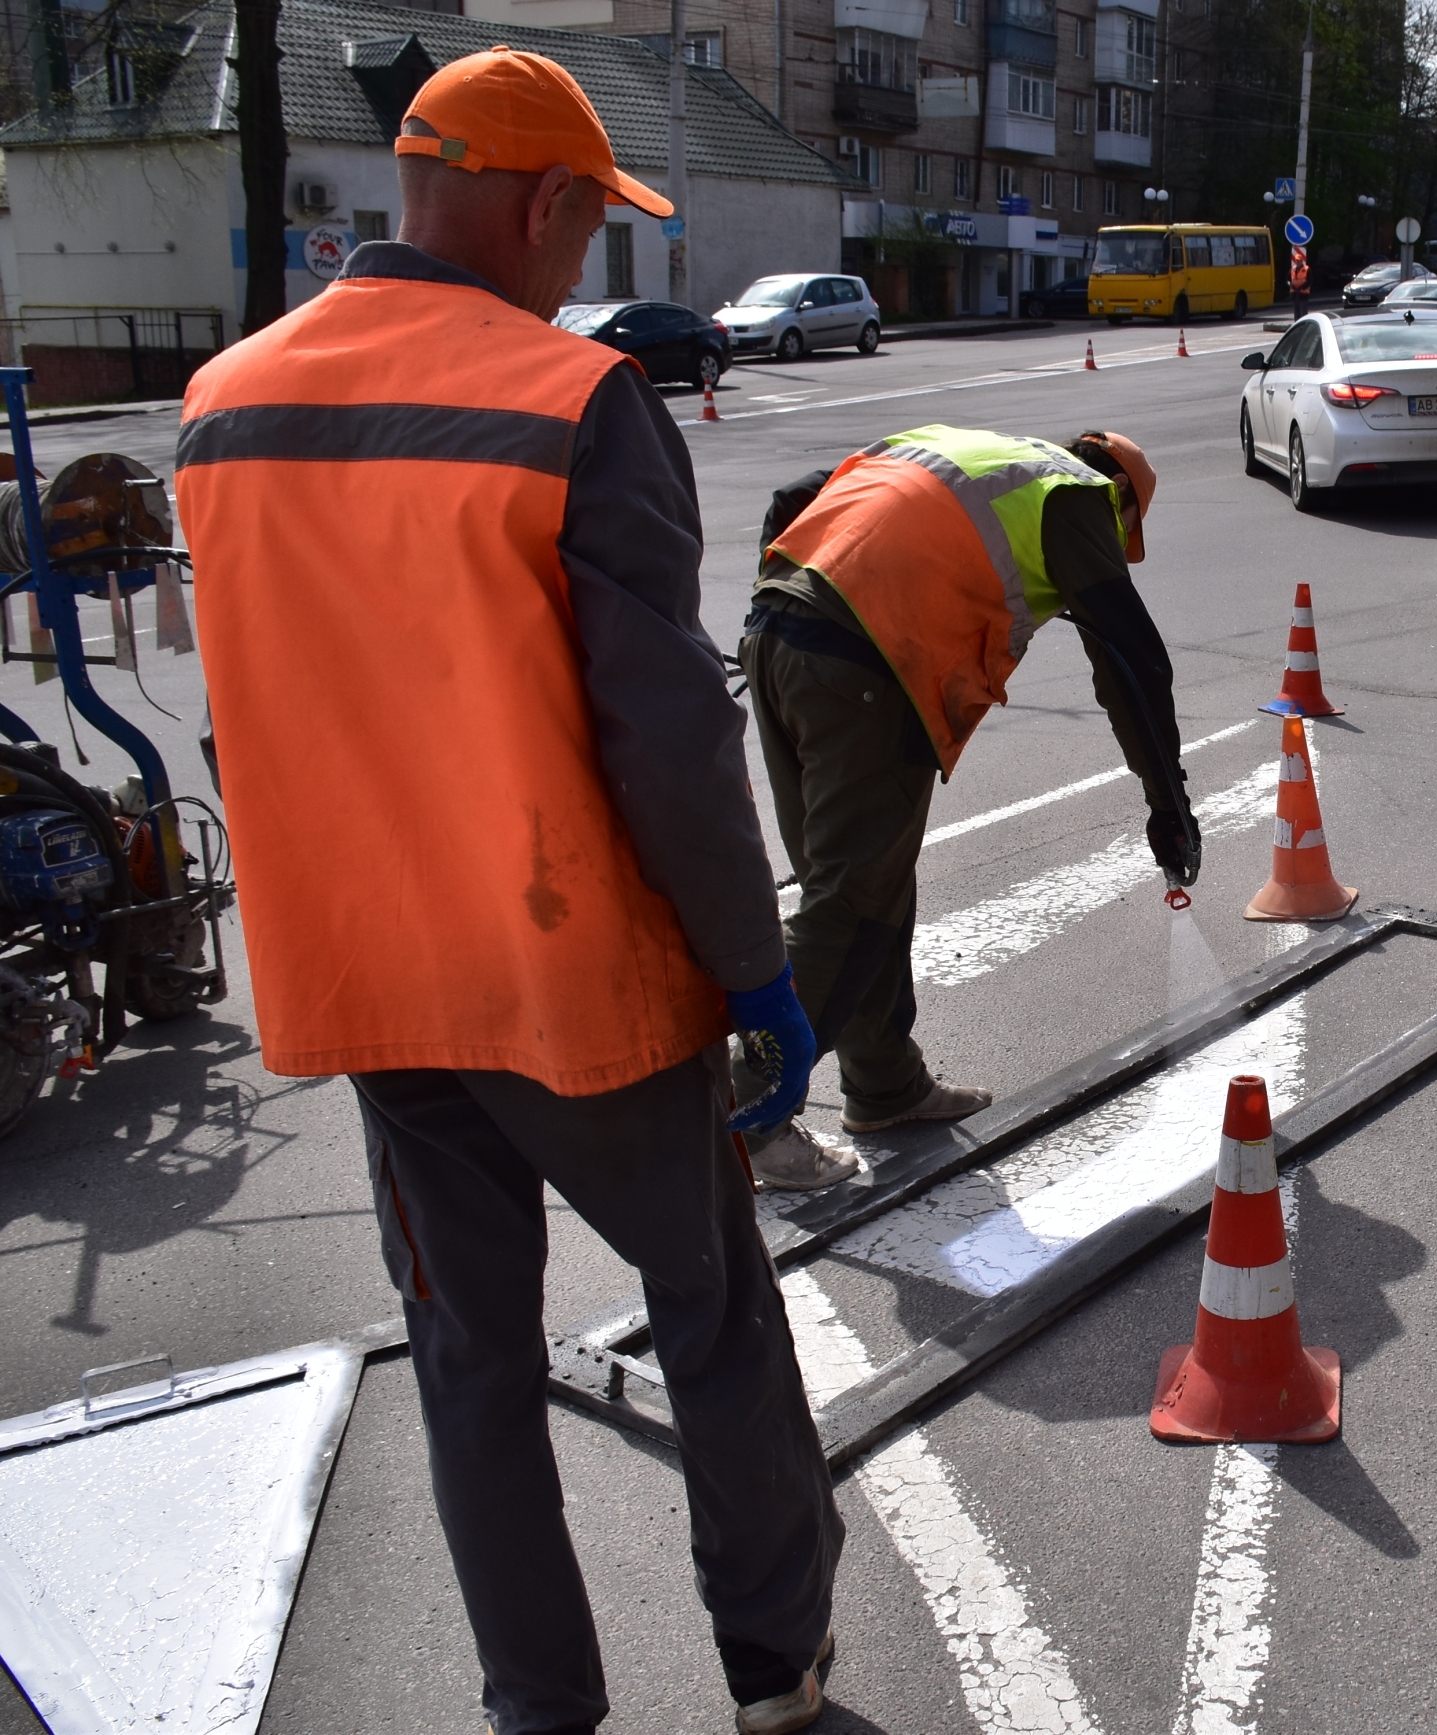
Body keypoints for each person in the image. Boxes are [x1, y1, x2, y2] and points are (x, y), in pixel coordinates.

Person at [172, 48, 843, 1735]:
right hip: (572, 987)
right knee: (711, 1309)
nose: (581, 265)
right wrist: (757, 972)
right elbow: (671, 738)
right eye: (588, 227)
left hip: (373, 988)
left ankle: (539, 1711)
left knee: (471, 1364)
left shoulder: (223, 403)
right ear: (543, 202)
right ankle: (775, 1678)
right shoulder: (569, 401)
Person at [733, 424, 1195, 1178]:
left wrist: (790, 610)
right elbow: (1130, 658)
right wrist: (1167, 803)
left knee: (861, 882)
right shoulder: (1077, 496)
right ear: (1123, 501)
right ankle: (748, 1116)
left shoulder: (963, 449)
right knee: (849, 898)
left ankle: (884, 1082)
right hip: (865, 668)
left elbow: (798, 496)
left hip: (780, 635)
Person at [1289, 244, 1312, 320]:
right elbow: (1288, 280)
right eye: (1296, 260)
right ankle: (1297, 327)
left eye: (1299, 260)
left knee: (1303, 314)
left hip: (1303, 294)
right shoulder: (1292, 269)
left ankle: (1304, 328)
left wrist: (1301, 288)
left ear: (1302, 261)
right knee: (1296, 313)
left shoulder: (1307, 269)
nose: (1297, 262)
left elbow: (1309, 281)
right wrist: (1292, 286)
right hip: (1295, 294)